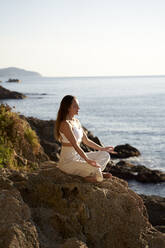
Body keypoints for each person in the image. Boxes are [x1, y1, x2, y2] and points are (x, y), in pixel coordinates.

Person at [54, 95, 116, 182]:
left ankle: (96, 173)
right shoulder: (65, 124)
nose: (78, 108)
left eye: (78, 105)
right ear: (68, 108)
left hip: (79, 158)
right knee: (93, 166)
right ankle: (97, 175)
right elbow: (75, 145)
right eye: (75, 106)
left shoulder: (76, 122)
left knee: (105, 155)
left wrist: (102, 148)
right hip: (68, 162)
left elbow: (86, 141)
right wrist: (87, 160)